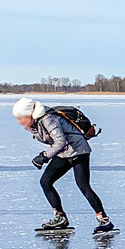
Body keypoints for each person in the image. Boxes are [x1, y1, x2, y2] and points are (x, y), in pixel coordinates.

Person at [12, 97, 115, 234]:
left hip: (79, 151)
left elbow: (60, 142)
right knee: (45, 182)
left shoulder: (48, 119)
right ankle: (60, 218)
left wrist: (44, 156)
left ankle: (104, 220)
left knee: (83, 186)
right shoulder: (35, 124)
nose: (19, 122)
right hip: (64, 153)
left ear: (29, 114)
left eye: (21, 117)